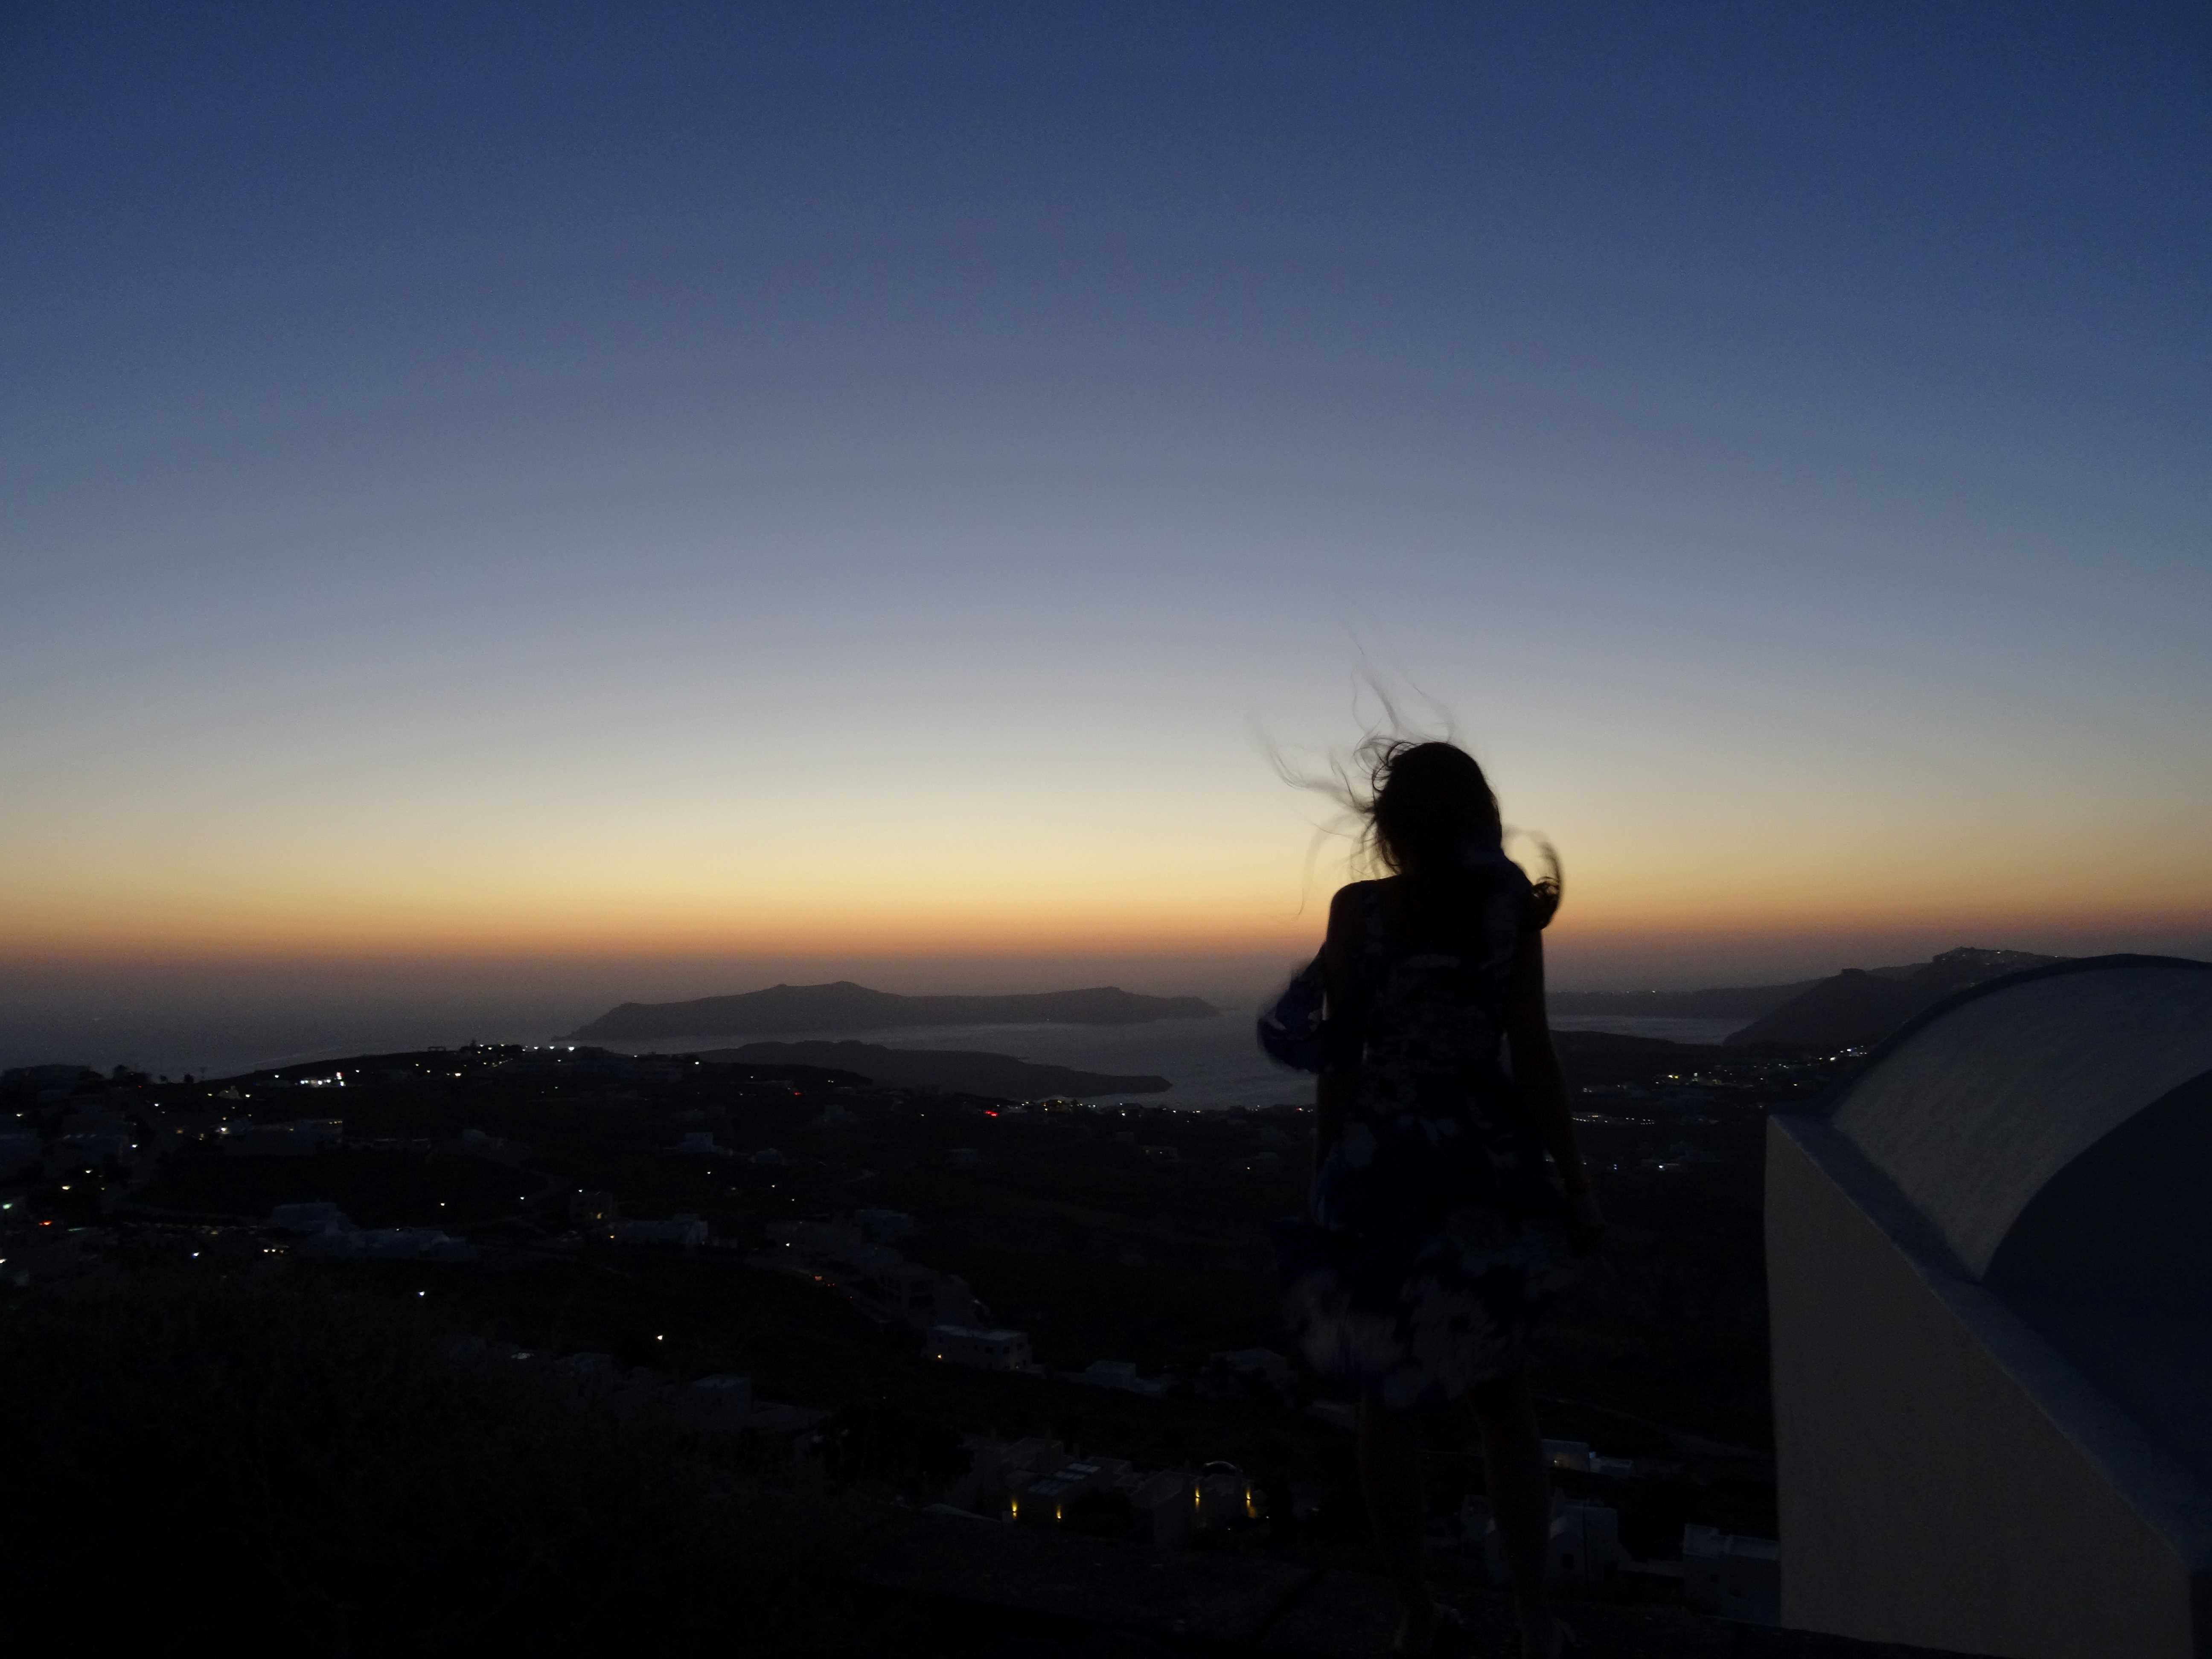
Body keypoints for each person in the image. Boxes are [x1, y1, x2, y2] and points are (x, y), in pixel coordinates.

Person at [1260, 739, 1603, 1658]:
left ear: (1391, 829)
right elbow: (1530, 1052)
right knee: (1504, 1400)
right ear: (1477, 817)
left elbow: (1340, 1058)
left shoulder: (1357, 914)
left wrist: (1326, 1169)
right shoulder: (1505, 911)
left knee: (1387, 1404)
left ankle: (1415, 1615)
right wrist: (1573, 1180)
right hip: (1482, 1168)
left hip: (1378, 1173)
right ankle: (1532, 1616)